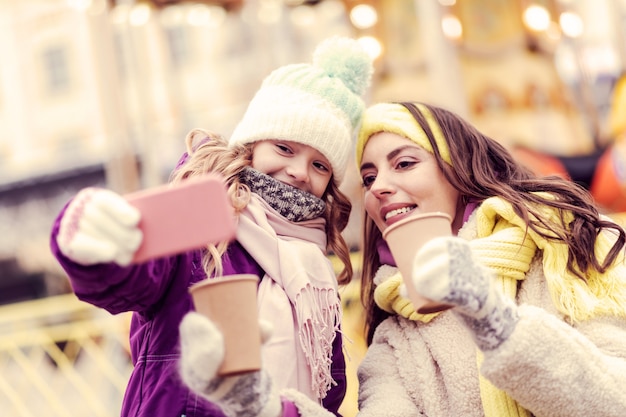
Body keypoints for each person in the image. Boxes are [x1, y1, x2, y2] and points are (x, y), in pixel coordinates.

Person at [179, 100, 626, 417]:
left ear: (460, 170)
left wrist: (495, 320)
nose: (379, 187)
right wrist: (257, 403)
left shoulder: (567, 253)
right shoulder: (397, 333)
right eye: (369, 177)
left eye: (405, 163)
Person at [49, 36, 373, 417]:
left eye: (320, 165)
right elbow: (131, 277)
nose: (299, 172)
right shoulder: (201, 223)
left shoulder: (314, 266)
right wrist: (90, 234)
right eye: (284, 149)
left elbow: (327, 393)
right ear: (251, 146)